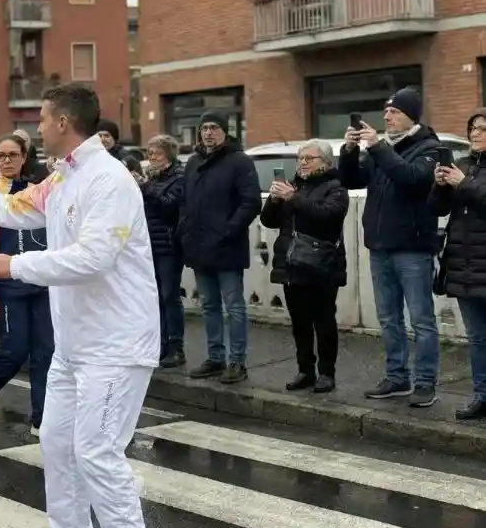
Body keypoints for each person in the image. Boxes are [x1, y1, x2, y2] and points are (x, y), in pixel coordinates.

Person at [0, 82, 157, 528]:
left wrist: (15, 266)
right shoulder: (61, 178)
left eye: (43, 119)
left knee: (97, 455)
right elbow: (6, 208)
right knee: (56, 443)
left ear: (64, 123)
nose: (39, 127)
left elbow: (94, 257)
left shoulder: (108, 179)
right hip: (74, 347)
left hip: (116, 344)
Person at [341, 88, 442, 407]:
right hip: (381, 246)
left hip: (412, 247)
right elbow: (352, 181)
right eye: (385, 112)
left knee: (421, 319)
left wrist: (377, 147)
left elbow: (410, 178)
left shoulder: (430, 148)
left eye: (394, 112)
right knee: (388, 318)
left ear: (411, 116)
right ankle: (397, 377)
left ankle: (425, 381)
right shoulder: (381, 150)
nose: (387, 117)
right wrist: (348, 151)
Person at [0, 135, 53, 436]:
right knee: (15, 352)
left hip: (40, 284)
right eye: (2, 155)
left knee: (46, 353)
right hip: (8, 288)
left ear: (23, 157)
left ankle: (40, 419)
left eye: (13, 155)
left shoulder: (36, 192)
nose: (7, 161)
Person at [260, 140, 349, 394]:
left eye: (310, 158)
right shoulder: (294, 186)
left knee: (323, 321)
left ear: (326, 163)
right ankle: (305, 370)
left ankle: (327, 373)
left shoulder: (335, 188)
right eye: (301, 158)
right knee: (299, 322)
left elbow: (327, 218)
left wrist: (293, 198)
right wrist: (275, 200)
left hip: (321, 265)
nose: (303, 162)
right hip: (291, 263)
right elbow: (268, 221)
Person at [179, 111, 262, 384]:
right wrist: (184, 231)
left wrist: (227, 231)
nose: (208, 133)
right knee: (209, 306)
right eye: (204, 128)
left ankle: (237, 362)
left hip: (226, 247)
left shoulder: (239, 162)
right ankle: (215, 358)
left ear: (225, 132)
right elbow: (184, 202)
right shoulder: (193, 163)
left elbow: (250, 202)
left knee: (234, 307)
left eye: (214, 127)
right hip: (199, 248)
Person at [431, 109, 486, 421]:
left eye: (481, 128)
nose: (474, 134)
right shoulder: (463, 166)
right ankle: (482, 396)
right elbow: (436, 208)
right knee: (478, 338)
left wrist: (463, 183)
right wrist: (440, 185)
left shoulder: (464, 174)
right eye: (471, 128)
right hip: (464, 265)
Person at [137, 134, 186, 368]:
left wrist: (145, 188)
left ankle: (177, 347)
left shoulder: (178, 176)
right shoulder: (152, 178)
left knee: (170, 296)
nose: (151, 157)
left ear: (168, 155)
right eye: (149, 152)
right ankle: (161, 344)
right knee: (154, 298)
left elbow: (169, 206)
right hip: (149, 246)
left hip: (168, 245)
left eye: (156, 153)